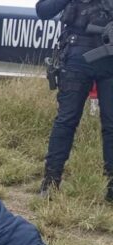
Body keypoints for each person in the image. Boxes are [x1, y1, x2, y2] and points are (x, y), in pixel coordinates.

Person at [37, 0, 113, 200]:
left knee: (112, 125)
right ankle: (51, 182)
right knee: (67, 120)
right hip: (78, 53)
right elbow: (43, 10)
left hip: (110, 57)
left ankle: (111, 187)